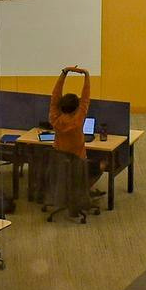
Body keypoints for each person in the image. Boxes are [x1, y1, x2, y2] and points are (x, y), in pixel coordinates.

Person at [46, 65, 94, 220]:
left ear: (61, 107)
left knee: (64, 176)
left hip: (59, 158)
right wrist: (86, 75)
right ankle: (78, 202)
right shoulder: (78, 120)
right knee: (97, 167)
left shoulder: (54, 119)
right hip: (77, 160)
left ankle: (63, 199)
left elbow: (55, 96)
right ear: (77, 108)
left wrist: (64, 73)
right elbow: (86, 98)